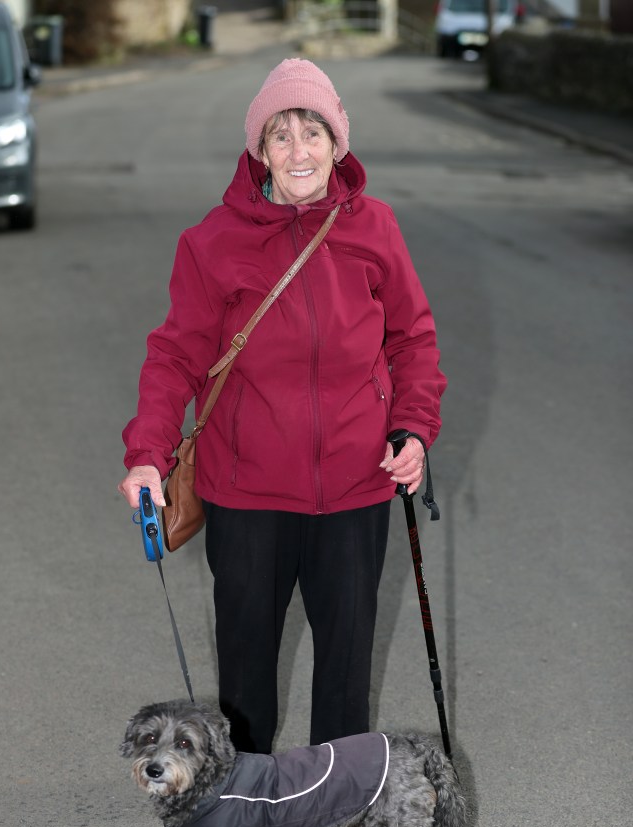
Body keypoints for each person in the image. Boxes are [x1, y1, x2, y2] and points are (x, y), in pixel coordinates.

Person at [119, 59, 447, 754]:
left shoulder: (375, 228)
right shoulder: (212, 243)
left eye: (313, 133)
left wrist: (412, 427)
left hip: (357, 487)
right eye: (280, 136)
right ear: (259, 151)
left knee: (345, 669)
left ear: (338, 144)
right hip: (248, 494)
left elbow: (413, 338)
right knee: (244, 675)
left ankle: (337, 800)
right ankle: (246, 800)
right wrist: (147, 455)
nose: (299, 152)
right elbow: (173, 356)